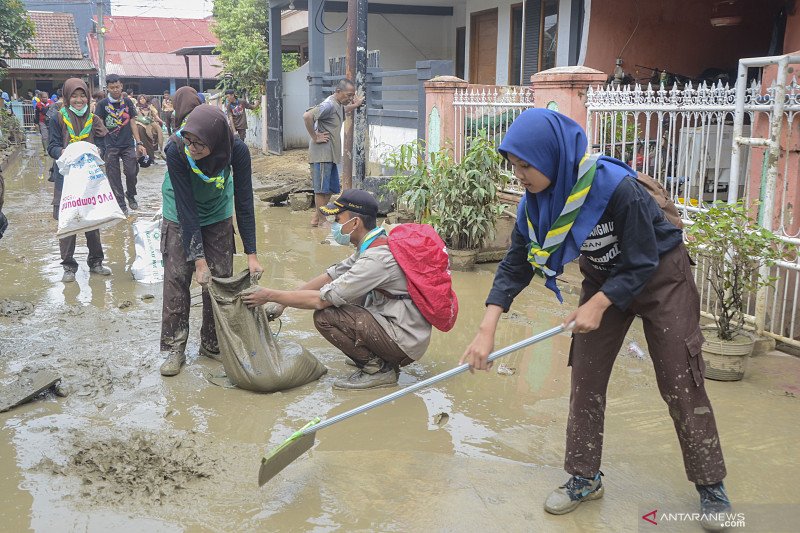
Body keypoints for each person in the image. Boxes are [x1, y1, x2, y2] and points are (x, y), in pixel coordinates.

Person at [459, 109, 730, 530]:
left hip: (661, 276)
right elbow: (516, 264)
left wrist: (600, 304)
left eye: (526, 165)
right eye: (513, 166)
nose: (519, 176)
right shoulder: (536, 206)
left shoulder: (617, 188)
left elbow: (641, 260)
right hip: (604, 277)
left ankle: (711, 486)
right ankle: (584, 477)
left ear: (552, 157)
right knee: (585, 377)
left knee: (680, 379)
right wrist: (486, 329)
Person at [242, 189, 431, 390]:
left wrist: (269, 294)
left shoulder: (376, 259)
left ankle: (378, 369)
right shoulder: (372, 245)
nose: (335, 226)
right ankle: (376, 355)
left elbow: (321, 300)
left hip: (404, 339)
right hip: (400, 325)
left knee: (326, 315)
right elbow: (331, 276)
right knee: (346, 293)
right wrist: (281, 305)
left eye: (338, 219)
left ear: (355, 223)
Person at [158, 100, 263, 377]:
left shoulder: (237, 150)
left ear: (216, 142)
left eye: (199, 145)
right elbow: (186, 207)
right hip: (179, 213)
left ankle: (212, 342)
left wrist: (252, 254)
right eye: (189, 141)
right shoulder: (176, 149)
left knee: (220, 278)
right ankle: (174, 346)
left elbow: (244, 201)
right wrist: (198, 260)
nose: (193, 149)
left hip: (217, 211)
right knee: (178, 277)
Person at [47, 78, 112, 283]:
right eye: (74, 96)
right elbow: (51, 147)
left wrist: (96, 151)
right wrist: (65, 151)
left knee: (92, 218)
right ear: (66, 97)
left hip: (89, 177)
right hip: (66, 178)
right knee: (67, 221)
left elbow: (103, 143)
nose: (78, 100)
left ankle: (96, 262)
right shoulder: (57, 118)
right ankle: (68, 266)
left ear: (88, 96)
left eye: (82, 95)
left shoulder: (94, 119)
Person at [303, 79, 364, 227]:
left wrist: (355, 105)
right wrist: (315, 136)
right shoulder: (328, 104)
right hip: (322, 153)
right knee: (321, 189)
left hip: (331, 153)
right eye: (348, 95)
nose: (350, 98)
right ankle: (322, 220)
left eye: (352, 95)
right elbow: (307, 116)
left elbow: (343, 110)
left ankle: (316, 217)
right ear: (338, 91)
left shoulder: (337, 104)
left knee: (331, 188)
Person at [94, 74, 146, 214]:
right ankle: (121, 204)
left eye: (117, 87)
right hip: (110, 146)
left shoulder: (128, 102)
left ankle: (130, 194)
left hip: (128, 144)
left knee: (131, 171)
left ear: (121, 86)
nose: (115, 90)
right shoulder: (102, 105)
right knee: (113, 176)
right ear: (107, 88)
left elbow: (132, 122)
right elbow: (97, 124)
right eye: (112, 88)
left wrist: (139, 142)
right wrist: (99, 144)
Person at [134, 94, 162, 161]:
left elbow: (155, 116)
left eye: (143, 98)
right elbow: (134, 117)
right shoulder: (136, 108)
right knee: (141, 142)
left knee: (152, 140)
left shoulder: (150, 107)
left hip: (150, 126)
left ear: (146, 99)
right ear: (138, 100)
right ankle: (141, 157)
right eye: (140, 99)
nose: (142, 100)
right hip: (140, 126)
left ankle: (153, 156)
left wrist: (160, 121)